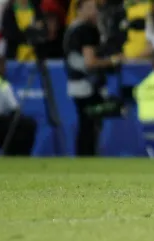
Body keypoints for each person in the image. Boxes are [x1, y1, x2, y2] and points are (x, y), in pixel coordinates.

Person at [63, 0, 122, 156]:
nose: (94, 11)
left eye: (95, 7)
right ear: (79, 9)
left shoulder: (71, 29)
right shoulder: (87, 30)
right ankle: (86, 157)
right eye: (89, 7)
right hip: (87, 84)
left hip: (74, 83)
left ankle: (82, 158)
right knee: (89, 125)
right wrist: (113, 61)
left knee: (85, 123)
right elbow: (90, 62)